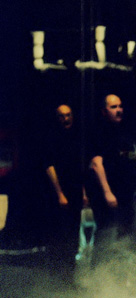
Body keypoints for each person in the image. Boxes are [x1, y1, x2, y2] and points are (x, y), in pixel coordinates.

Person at [84, 94, 136, 263]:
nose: (118, 110)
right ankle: (98, 273)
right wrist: (107, 192)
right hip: (107, 194)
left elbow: (131, 162)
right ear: (104, 111)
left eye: (120, 106)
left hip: (126, 193)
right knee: (106, 233)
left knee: (126, 234)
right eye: (113, 107)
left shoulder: (124, 132)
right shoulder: (98, 132)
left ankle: (121, 273)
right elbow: (96, 164)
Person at [42, 104, 85, 281]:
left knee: (74, 234)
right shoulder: (52, 138)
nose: (66, 119)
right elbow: (49, 166)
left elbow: (80, 168)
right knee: (60, 232)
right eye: (62, 116)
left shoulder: (76, 137)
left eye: (69, 115)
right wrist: (60, 193)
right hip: (60, 192)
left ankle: (69, 276)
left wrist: (83, 192)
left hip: (75, 191)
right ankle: (57, 276)